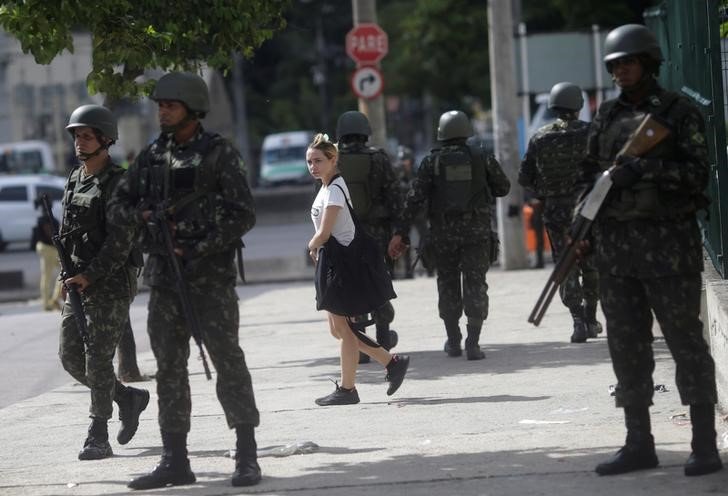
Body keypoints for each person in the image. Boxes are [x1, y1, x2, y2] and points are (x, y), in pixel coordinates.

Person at [579, 24, 722, 477]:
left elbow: (698, 175)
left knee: (685, 344)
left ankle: (704, 443)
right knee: (627, 348)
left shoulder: (678, 113)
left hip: (668, 250)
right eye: (614, 65)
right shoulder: (603, 118)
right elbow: (588, 179)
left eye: (629, 62)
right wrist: (579, 228)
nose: (621, 70)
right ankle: (638, 442)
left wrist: (644, 169)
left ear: (650, 62)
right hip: (617, 254)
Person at [109, 71, 261, 489]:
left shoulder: (219, 154)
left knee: (228, 362)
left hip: (209, 280)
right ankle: (175, 459)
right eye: (159, 105)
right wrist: (142, 218)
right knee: (169, 370)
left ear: (192, 110)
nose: (161, 111)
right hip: (164, 282)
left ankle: (246, 455)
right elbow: (118, 203)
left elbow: (243, 213)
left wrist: (199, 247)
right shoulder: (152, 156)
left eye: (169, 105)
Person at [58, 104, 149, 460]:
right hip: (77, 282)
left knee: (97, 358)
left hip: (110, 281)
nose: (79, 142)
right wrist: (66, 275)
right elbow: (69, 233)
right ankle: (127, 397)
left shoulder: (119, 183)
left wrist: (89, 275)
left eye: (86, 135)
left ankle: (98, 433)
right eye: (76, 136)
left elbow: (119, 242)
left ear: (105, 139)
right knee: (70, 357)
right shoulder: (75, 178)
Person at [388, 111, 510, 360]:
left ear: (441, 133)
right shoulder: (482, 156)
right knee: (476, 284)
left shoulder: (431, 162)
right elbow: (503, 187)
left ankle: (453, 341)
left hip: (443, 234)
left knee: (447, 284)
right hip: (476, 232)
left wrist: (401, 232)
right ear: (466, 131)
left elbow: (414, 199)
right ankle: (473, 344)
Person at [306, 132, 410, 406]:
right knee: (338, 330)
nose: (313, 166)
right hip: (333, 262)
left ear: (333, 160)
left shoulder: (336, 189)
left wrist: (312, 245)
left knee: (344, 329)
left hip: (343, 265)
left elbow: (325, 232)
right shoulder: (326, 188)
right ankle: (391, 362)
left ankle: (349, 389)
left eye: (318, 161)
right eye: (309, 162)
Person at [518, 81, 602, 343]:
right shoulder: (591, 133)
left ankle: (577, 320)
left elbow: (524, 177)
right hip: (588, 209)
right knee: (591, 263)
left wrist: (544, 193)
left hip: (556, 212)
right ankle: (590, 317)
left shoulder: (540, 138)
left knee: (565, 265)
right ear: (578, 105)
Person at [335, 111, 401, 361]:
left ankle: (360, 346)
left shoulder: (333, 161)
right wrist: (400, 232)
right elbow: (395, 197)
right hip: (375, 235)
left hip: (344, 236)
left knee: (352, 287)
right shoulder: (379, 159)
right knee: (378, 284)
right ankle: (383, 338)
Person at [394, 145, 432, 279]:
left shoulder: (417, 174)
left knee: (426, 239)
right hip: (405, 214)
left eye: (406, 160)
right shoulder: (398, 175)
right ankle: (408, 271)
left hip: (419, 213)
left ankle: (430, 268)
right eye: (402, 160)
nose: (404, 163)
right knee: (404, 241)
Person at [33, 198, 62, 311]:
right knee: (62, 273)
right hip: (49, 248)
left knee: (47, 276)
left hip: (43, 248)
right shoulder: (52, 220)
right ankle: (52, 300)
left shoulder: (40, 219)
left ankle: (48, 302)